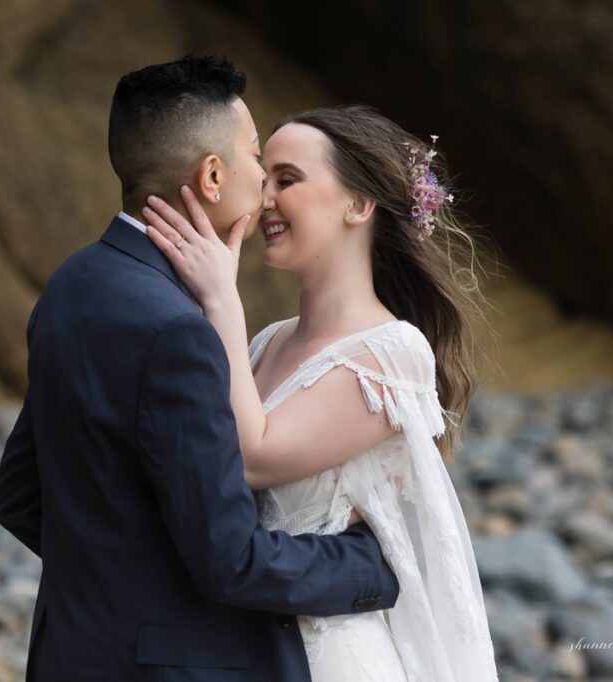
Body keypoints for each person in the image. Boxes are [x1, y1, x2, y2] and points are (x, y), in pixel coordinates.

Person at [0, 55, 400, 682]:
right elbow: (228, 558)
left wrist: (111, 587)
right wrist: (370, 568)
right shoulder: (179, 331)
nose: (264, 181)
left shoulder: (72, 284)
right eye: (258, 158)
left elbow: (20, 495)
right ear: (212, 174)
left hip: (66, 654)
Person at [144, 104, 499, 681]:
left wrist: (220, 299)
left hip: (329, 657)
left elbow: (253, 456)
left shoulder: (394, 353)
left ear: (359, 206)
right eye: (265, 179)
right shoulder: (263, 343)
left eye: (288, 180)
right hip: (248, 647)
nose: (263, 201)